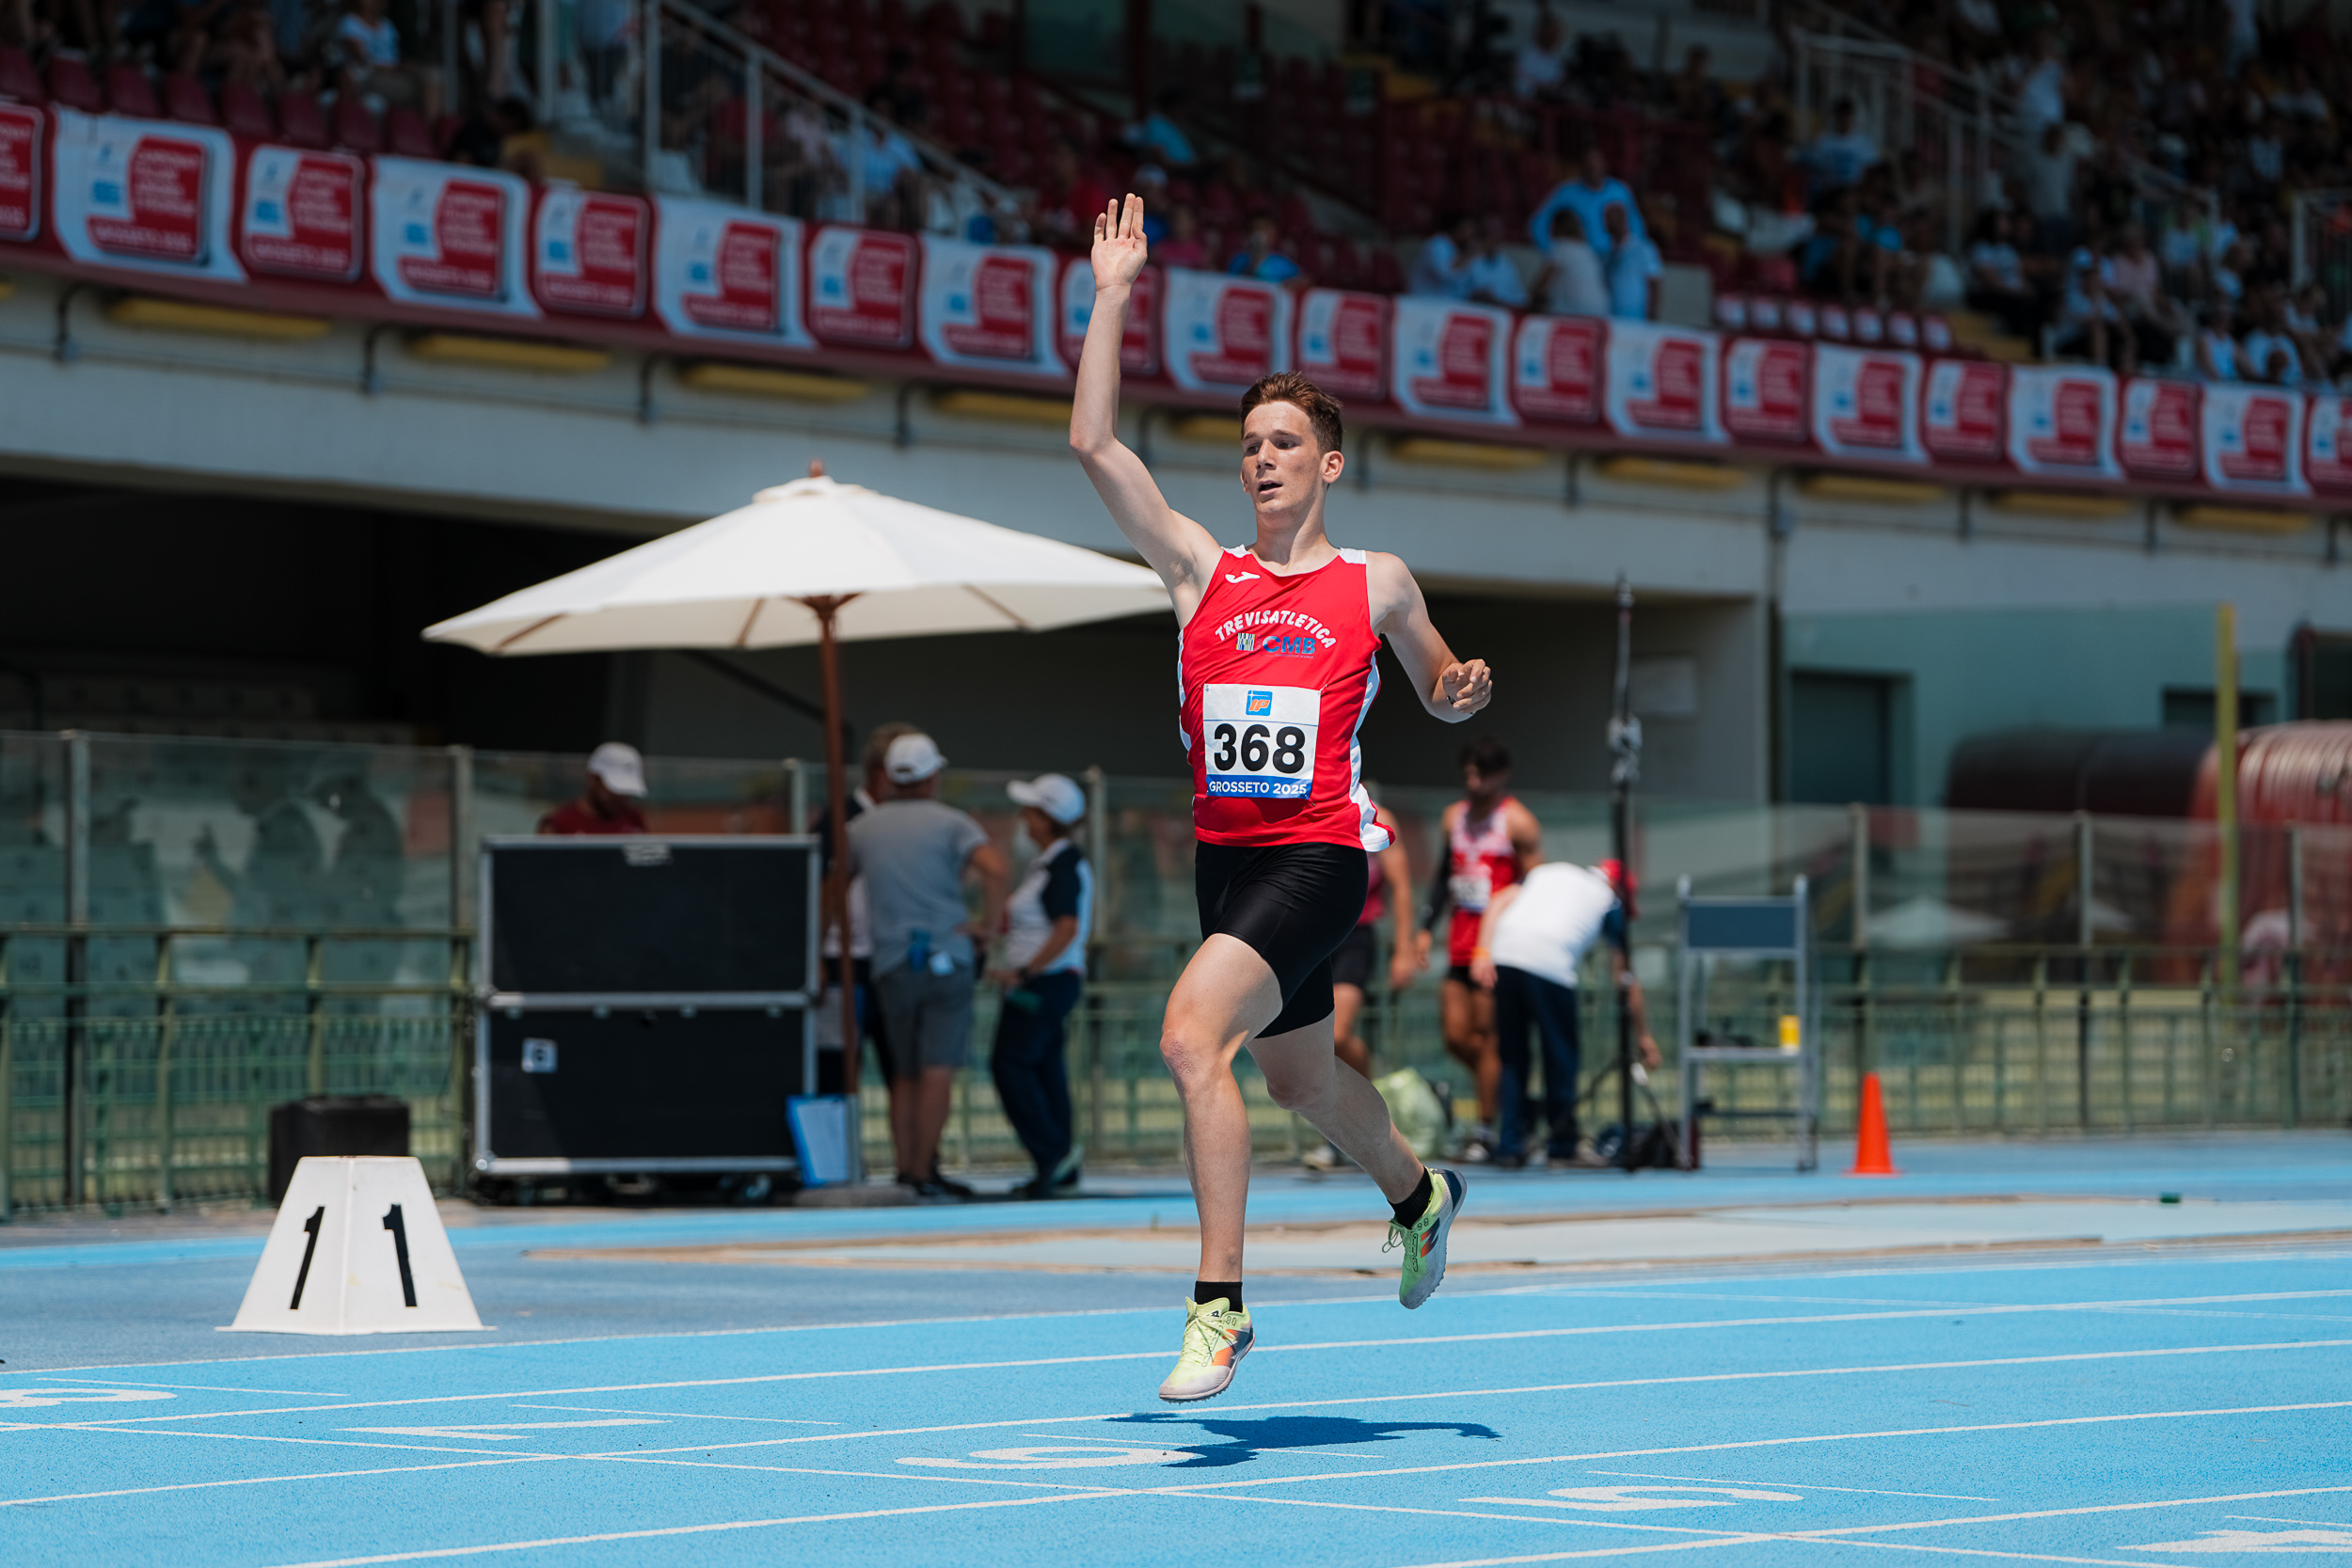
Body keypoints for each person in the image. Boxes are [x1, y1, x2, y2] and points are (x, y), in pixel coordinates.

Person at [1072, 192, 1491, 1404]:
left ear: (1327, 464)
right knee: (1299, 1079)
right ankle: (1421, 1195)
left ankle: (1219, 1306)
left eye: (1283, 442)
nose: (1260, 458)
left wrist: (1459, 691)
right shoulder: (1199, 571)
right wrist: (1111, 296)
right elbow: (1095, 447)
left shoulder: (1375, 581)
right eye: (1249, 443)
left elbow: (1440, 690)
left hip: (1317, 855)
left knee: (1188, 1037)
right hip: (1228, 860)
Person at [847, 732, 1009, 1201]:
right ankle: (924, 1172)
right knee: (938, 1066)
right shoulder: (953, 823)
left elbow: (833, 885)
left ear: (888, 777)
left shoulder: (862, 828)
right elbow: (996, 868)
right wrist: (987, 926)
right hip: (947, 956)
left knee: (904, 1070)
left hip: (890, 961)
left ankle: (903, 1170)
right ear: (932, 776)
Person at [1470, 860, 1659, 1168]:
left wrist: (1483, 951)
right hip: (1550, 964)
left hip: (1504, 956)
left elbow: (1499, 900)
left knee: (1513, 1058)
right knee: (1561, 1058)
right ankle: (1562, 1145)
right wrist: (1644, 1034)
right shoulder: (1609, 900)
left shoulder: (1547, 871)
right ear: (1619, 888)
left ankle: (1510, 1145)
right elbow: (1624, 975)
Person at [1415, 736, 1541, 1163]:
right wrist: (1425, 927)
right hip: (1459, 943)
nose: (1474, 782)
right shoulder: (1454, 817)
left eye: (1482, 774)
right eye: (1469, 773)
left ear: (1501, 775)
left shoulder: (1517, 822)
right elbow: (1442, 876)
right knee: (1455, 1037)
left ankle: (1486, 1130)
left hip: (1496, 948)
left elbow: (1535, 883)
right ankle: (1512, 1097)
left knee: (1488, 1039)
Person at [815, 722, 917, 1172]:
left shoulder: (912, 822)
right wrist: (816, 957)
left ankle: (915, 1164)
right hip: (845, 963)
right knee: (837, 1068)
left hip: (895, 961)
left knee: (905, 1068)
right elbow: (823, 888)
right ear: (881, 774)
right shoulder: (842, 820)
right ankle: (834, 1165)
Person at [990, 773, 1093, 1199]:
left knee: (1010, 1064)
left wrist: (1025, 972)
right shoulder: (1052, 862)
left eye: (1030, 811)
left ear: (1048, 819)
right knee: (1046, 1069)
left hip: (1043, 985)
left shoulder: (1061, 865)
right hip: (1049, 983)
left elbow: (1066, 927)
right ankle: (1059, 1163)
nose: (1023, 818)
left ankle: (1052, 1153)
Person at [1302, 800, 1414, 1172]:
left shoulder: (1379, 814)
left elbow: (1401, 886)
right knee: (1312, 1041)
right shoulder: (1311, 803)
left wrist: (1403, 950)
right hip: (1314, 935)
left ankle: (1367, 1112)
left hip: (1356, 938)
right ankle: (1338, 1134)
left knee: (1336, 1034)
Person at [1527, 150, 1645, 262]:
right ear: (1581, 167)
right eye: (1589, 166)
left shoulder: (1619, 190)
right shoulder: (1568, 192)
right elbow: (1538, 224)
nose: (1593, 169)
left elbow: (1636, 225)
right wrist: (1553, 252)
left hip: (1616, 259)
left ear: (1605, 165)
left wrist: (1628, 253)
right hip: (1584, 259)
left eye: (1597, 165)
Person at [538, 743, 649, 834]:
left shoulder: (634, 819)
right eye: (615, 790)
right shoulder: (559, 824)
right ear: (593, 779)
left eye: (626, 791)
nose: (620, 797)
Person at [1536, 205, 1608, 317]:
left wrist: (1530, 299)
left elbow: (1544, 282)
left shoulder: (1561, 246)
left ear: (1557, 226)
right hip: (1601, 311)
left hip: (1575, 312)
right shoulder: (1587, 250)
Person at [1803, 98, 1879, 198]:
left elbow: (1870, 170)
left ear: (1852, 116)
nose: (1844, 119)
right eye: (1841, 115)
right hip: (1829, 193)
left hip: (1855, 193)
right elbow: (1816, 169)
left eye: (1847, 115)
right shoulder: (1824, 142)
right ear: (1836, 117)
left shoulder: (1864, 143)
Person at [1602, 201, 1661, 320]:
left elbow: (1654, 283)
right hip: (1613, 318)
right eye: (1606, 219)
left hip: (1637, 319)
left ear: (1622, 219)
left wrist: (1651, 316)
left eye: (1611, 219)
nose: (1607, 223)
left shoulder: (1643, 248)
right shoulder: (1608, 254)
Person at [1408, 214, 1475, 298]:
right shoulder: (1436, 244)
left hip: (1445, 301)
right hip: (1423, 299)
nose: (1471, 233)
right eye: (1467, 228)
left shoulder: (1456, 247)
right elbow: (1444, 275)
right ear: (1457, 228)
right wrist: (1467, 255)